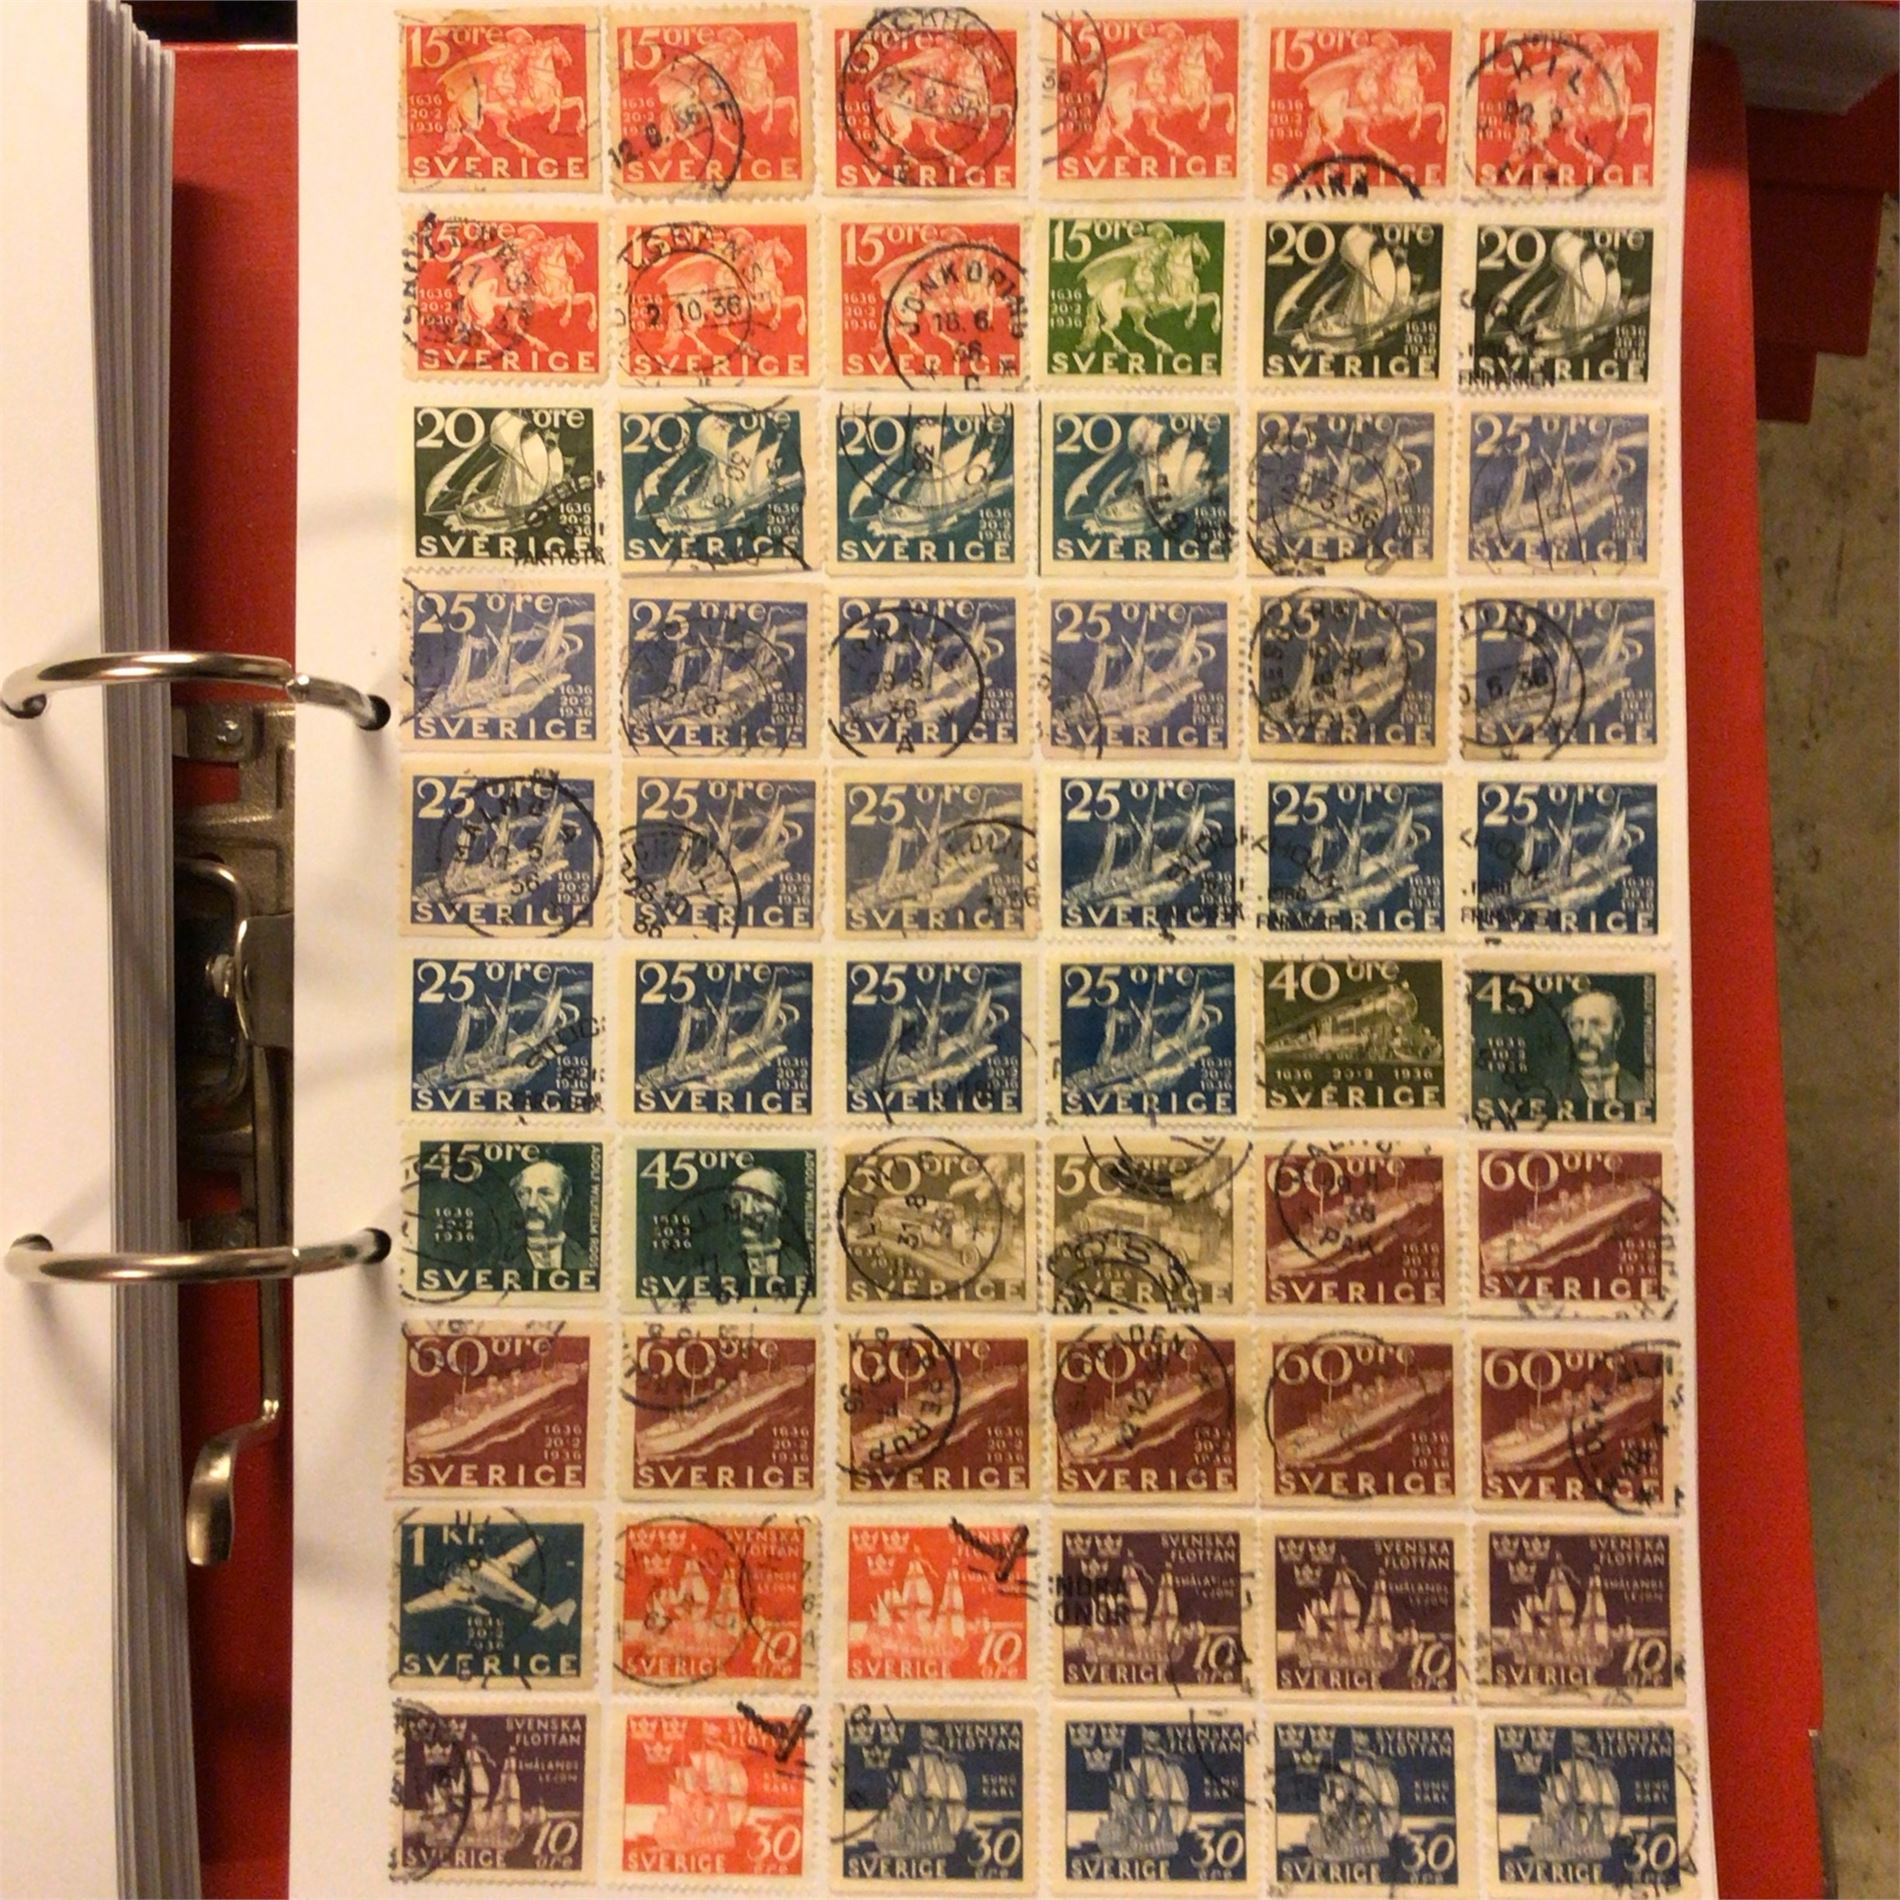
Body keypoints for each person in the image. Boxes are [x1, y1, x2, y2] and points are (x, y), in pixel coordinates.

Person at [1559, 988, 1644, 1105]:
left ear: (1617, 1030)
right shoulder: (1551, 1091)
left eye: (1596, 1023)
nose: (1584, 1035)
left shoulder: (1640, 1091)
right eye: (1576, 1024)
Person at [509, 1157, 579, 1274]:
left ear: (565, 1199)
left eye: (545, 1193)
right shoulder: (497, 1261)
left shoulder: (585, 1259)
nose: (532, 1204)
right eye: (524, 1193)